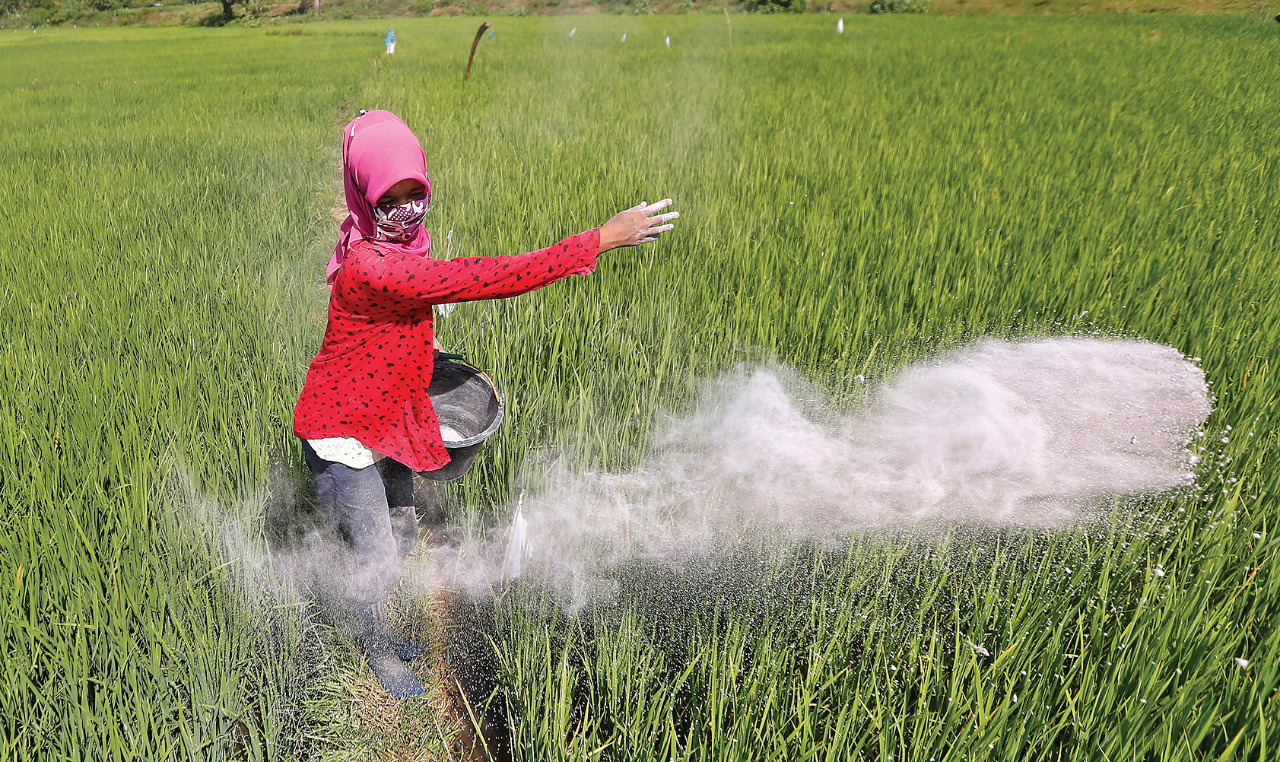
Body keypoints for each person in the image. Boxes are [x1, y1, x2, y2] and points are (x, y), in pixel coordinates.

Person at [292, 109, 678, 698]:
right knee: (378, 556)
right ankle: (376, 651)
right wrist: (598, 239)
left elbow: (382, 319)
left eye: (414, 194)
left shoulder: (385, 245)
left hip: (383, 416)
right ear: (364, 197)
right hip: (343, 430)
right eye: (389, 198)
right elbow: (489, 278)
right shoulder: (373, 262)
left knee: (400, 532)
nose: (406, 209)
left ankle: (379, 630)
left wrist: (420, 341)